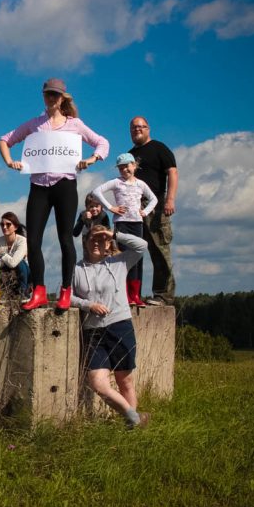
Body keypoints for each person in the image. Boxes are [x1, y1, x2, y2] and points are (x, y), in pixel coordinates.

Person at [0, 78, 109, 312]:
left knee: (65, 238)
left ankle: (66, 291)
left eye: (56, 95)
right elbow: (5, 140)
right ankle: (38, 290)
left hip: (65, 186)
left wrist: (91, 158)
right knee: (33, 240)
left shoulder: (75, 124)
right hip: (39, 186)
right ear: (43, 96)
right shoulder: (35, 125)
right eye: (48, 94)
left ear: (62, 98)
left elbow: (102, 142)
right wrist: (10, 162)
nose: (52, 98)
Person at [71, 225, 149, 429]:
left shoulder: (119, 262)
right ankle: (134, 417)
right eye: (92, 239)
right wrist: (88, 305)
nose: (96, 242)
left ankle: (132, 429)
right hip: (93, 331)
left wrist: (113, 234)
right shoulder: (76, 269)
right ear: (85, 242)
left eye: (101, 239)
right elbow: (67, 296)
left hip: (120, 326)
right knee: (98, 383)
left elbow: (142, 246)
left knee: (125, 381)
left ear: (108, 243)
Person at [91, 153, 158, 307]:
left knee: (138, 257)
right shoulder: (116, 182)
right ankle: (125, 293)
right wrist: (110, 207)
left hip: (137, 223)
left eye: (127, 166)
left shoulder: (140, 184)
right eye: (121, 167)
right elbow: (96, 191)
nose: (124, 170)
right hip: (122, 223)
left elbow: (154, 199)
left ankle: (135, 294)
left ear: (134, 166)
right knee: (123, 257)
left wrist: (145, 212)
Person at [128, 116, 178, 306]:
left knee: (159, 249)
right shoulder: (130, 155)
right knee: (133, 250)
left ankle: (164, 295)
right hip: (134, 207)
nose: (137, 130)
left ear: (148, 129)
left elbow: (172, 172)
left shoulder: (159, 148)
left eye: (141, 127)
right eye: (133, 127)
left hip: (155, 204)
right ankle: (133, 295)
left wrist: (170, 200)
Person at [0, 212, 29, 299]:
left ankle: (23, 293)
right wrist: (7, 258)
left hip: (25, 273)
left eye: (8, 224)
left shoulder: (22, 241)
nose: (4, 227)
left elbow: (14, 263)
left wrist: (2, 254)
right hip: (6, 272)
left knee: (20, 263)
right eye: (2, 224)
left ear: (16, 227)